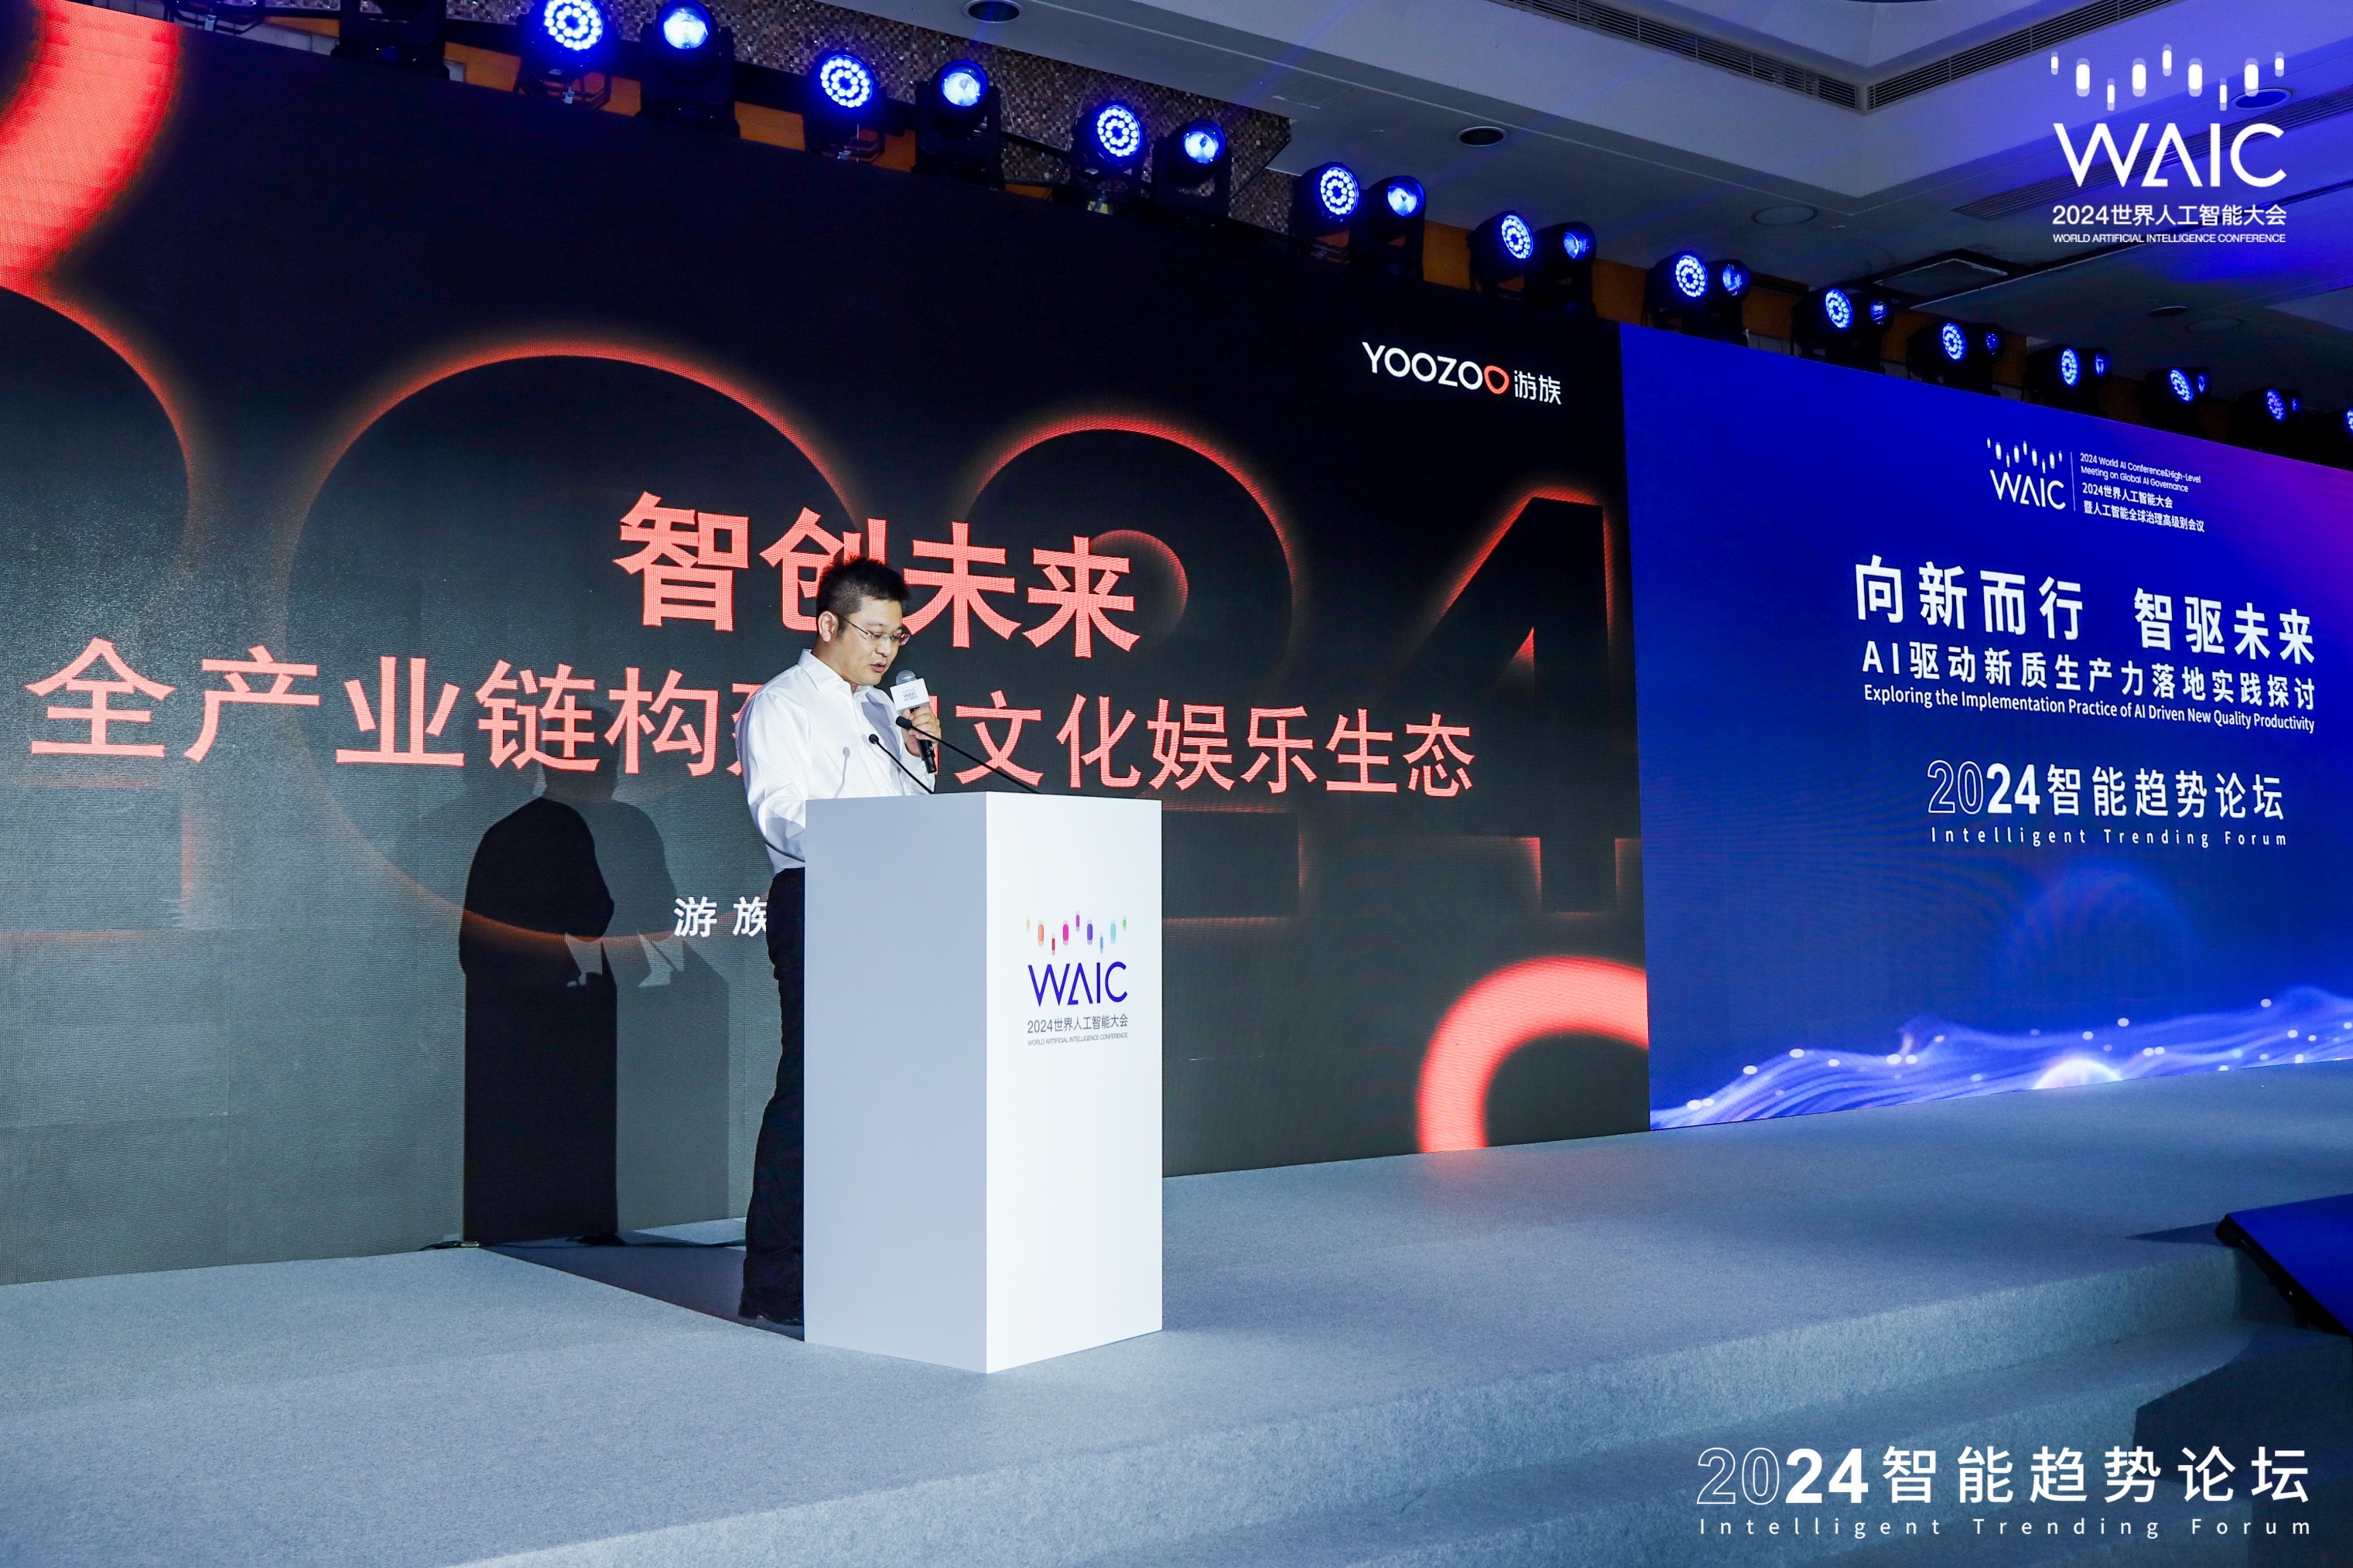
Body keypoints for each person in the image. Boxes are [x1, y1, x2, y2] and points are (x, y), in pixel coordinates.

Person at [735, 556, 940, 1324]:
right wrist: (859, 840)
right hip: (821, 901)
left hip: (893, 905)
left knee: (886, 1086)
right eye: (873, 632)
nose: (886, 649)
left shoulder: (884, 710)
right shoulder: (781, 704)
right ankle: (777, 1283)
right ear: (828, 623)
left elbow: (911, 814)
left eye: (897, 635)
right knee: (813, 1087)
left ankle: (867, 1256)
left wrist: (919, 756)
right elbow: (777, 811)